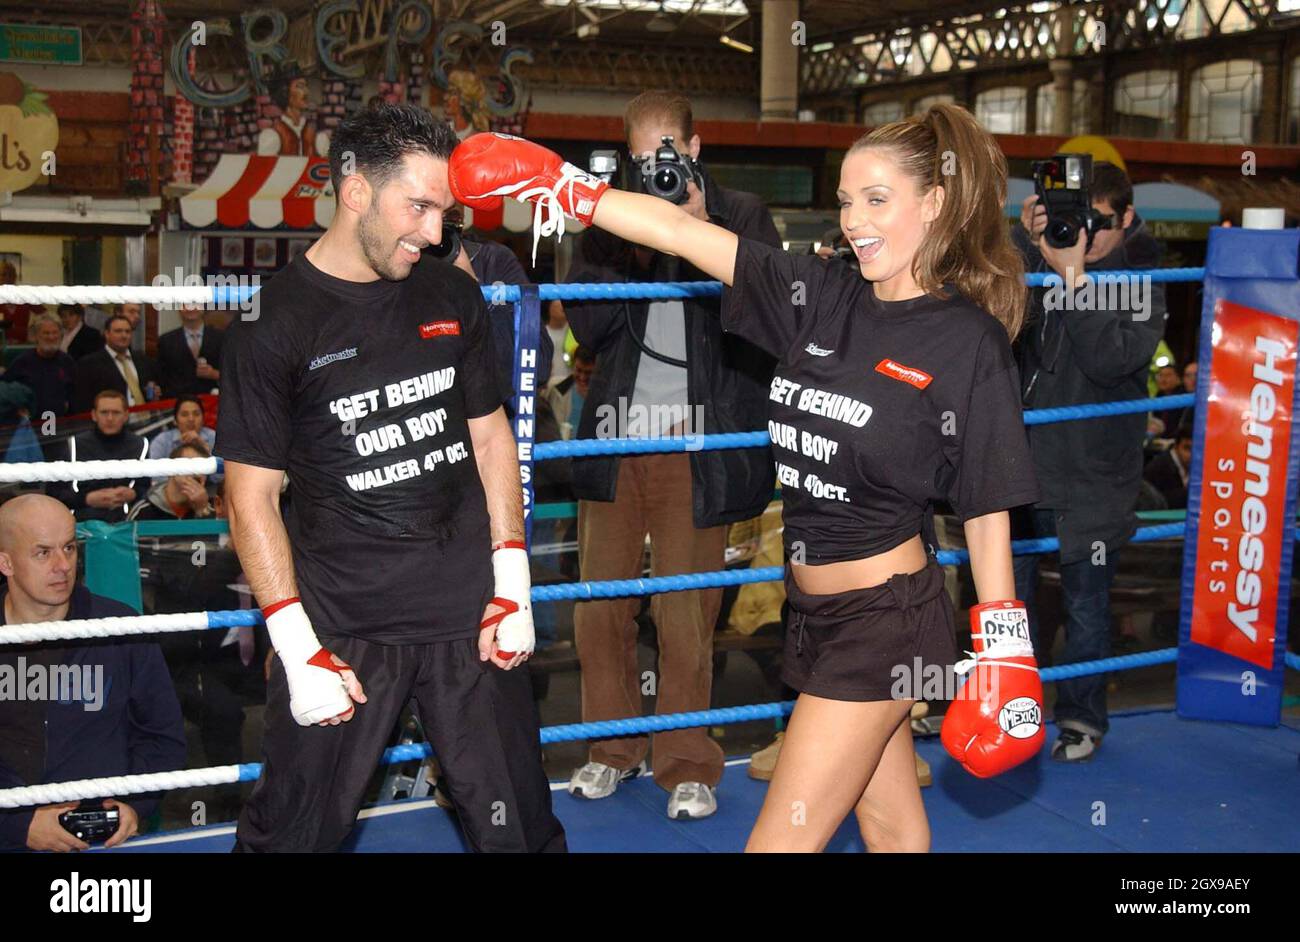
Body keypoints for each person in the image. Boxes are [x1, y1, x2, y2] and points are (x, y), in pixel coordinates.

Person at [451, 101, 1044, 851]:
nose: (855, 218)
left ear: (935, 203)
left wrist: (1004, 643)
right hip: (816, 615)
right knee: (889, 823)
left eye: (877, 199)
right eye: (846, 200)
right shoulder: (821, 298)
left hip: (884, 623)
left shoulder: (966, 342)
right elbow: (682, 232)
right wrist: (568, 186)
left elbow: (988, 502)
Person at [216, 102, 565, 853]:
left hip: (469, 613)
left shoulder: (450, 294)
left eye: (444, 211)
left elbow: (491, 434)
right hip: (343, 625)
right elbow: (250, 496)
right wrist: (294, 643)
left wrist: (513, 579)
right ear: (354, 191)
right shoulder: (270, 322)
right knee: (292, 836)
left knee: (522, 832)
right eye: (419, 206)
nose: (435, 232)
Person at [558, 90, 781, 820]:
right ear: (626, 156)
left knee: (686, 614)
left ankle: (687, 763)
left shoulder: (741, 214)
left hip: (699, 443)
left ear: (696, 145)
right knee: (599, 611)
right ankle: (610, 751)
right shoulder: (606, 218)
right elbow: (586, 331)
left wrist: (694, 229)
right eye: (643, 155)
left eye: (670, 152)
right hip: (618, 439)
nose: (657, 165)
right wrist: (627, 233)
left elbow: (764, 318)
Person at [1012, 160, 1167, 762]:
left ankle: (1082, 720)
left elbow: (1109, 360)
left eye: (1097, 222)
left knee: (1085, 607)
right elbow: (995, 319)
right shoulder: (1040, 261)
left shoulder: (1144, 279)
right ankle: (1011, 713)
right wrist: (1028, 245)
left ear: (1126, 218)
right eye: (1070, 219)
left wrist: (1073, 278)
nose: (1084, 233)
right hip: (1023, 469)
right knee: (1008, 606)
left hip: (1094, 478)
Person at [0, 494, 186, 851]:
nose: (62, 565)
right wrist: (17, 824)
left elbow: (163, 736)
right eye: (43, 552)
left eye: (69, 548)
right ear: (6, 562)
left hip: (101, 844)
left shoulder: (119, 628)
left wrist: (135, 804)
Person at [50, 390, 150, 523]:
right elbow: (53, 493)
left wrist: (134, 494)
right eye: (104, 412)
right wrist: (86, 499)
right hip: (80, 523)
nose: (110, 418)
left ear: (126, 415)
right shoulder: (73, 445)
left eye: (116, 413)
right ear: (94, 415)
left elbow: (148, 488)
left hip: (127, 522)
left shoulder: (141, 445)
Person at [70, 313, 161, 414]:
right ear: (107, 334)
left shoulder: (144, 361)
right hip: (111, 423)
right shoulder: (89, 364)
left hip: (145, 423)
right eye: (118, 331)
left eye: (128, 331)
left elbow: (149, 391)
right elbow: (83, 403)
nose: (124, 335)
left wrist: (153, 394)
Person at [5, 313, 75, 420]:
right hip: (31, 426)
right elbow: (6, 392)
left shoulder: (67, 362)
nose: (51, 337)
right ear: (36, 336)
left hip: (60, 424)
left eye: (55, 333)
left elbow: (75, 392)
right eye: (46, 333)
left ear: (60, 335)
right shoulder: (22, 362)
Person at [129, 441, 214, 521]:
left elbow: (216, 536)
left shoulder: (211, 508)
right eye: (190, 465)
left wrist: (202, 510)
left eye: (203, 468)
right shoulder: (143, 510)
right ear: (171, 469)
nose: (197, 473)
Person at [148, 395, 218, 485]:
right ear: (175, 420)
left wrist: (205, 449)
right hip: (170, 495)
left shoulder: (213, 437)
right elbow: (157, 479)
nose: (191, 419)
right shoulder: (161, 441)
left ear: (203, 418)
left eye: (196, 414)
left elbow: (219, 478)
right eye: (184, 414)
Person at [158, 303, 223, 398]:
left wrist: (213, 374)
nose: (190, 308)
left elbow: (232, 374)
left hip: (213, 402)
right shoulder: (166, 341)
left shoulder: (221, 338)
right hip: (177, 403)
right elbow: (161, 377)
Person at [546, 345, 593, 440]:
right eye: (578, 370)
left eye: (588, 373)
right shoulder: (554, 387)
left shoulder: (606, 397)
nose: (582, 377)